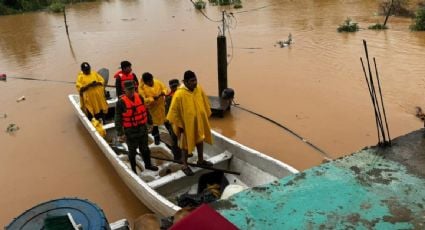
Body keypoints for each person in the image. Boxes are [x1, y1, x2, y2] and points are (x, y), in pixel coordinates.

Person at [166, 70, 213, 176]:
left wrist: (204, 116)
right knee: (185, 146)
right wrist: (179, 126)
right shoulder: (179, 94)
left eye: (195, 80)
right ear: (186, 82)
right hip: (186, 125)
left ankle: (201, 160)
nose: (195, 82)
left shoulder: (198, 89)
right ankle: (185, 165)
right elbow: (174, 112)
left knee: (200, 140)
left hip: (198, 122)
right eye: (192, 81)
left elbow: (204, 102)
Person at [115, 80, 158, 173]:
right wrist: (120, 133)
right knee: (132, 151)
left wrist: (150, 122)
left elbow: (145, 110)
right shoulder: (121, 102)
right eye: (129, 90)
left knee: (145, 149)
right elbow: (118, 118)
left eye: (132, 89)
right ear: (124, 90)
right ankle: (134, 170)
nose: (131, 91)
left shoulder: (140, 97)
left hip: (142, 128)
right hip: (130, 131)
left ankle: (148, 165)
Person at [138, 72, 167, 145]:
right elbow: (143, 100)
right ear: (145, 82)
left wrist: (163, 92)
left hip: (162, 106)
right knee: (155, 125)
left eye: (151, 81)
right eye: (149, 82)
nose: (151, 83)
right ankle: (157, 139)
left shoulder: (157, 82)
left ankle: (168, 137)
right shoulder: (141, 89)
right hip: (152, 110)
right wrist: (152, 98)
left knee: (166, 122)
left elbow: (165, 88)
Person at [164, 78, 182, 160]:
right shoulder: (169, 97)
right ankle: (177, 157)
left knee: (183, 138)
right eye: (174, 87)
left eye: (176, 86)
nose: (175, 88)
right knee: (175, 139)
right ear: (171, 87)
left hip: (182, 121)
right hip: (174, 122)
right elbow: (168, 112)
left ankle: (185, 153)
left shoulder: (182, 94)